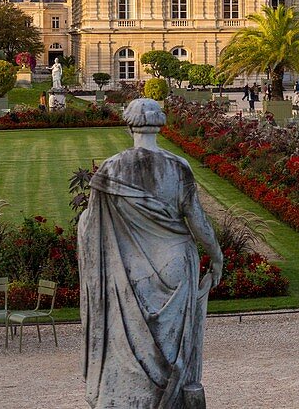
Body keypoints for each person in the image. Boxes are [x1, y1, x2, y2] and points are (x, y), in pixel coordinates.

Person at [79, 99, 222, 408]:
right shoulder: (177, 166)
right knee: (173, 342)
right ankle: (172, 398)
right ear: (160, 125)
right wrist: (217, 254)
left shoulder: (111, 168)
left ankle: (131, 399)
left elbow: (91, 224)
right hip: (175, 263)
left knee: (129, 336)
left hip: (130, 267)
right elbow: (197, 221)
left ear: (130, 125)